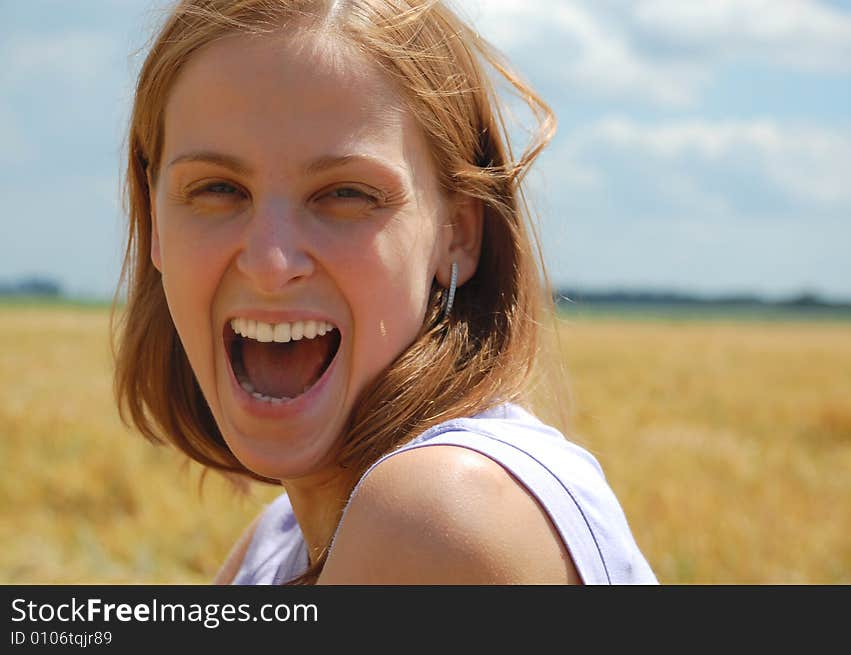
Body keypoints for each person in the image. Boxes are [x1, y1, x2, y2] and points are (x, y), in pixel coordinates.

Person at [114, 0, 657, 585]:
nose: (271, 264)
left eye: (345, 194)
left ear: (458, 235)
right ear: (153, 223)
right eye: (217, 189)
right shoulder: (276, 545)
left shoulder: (440, 517)